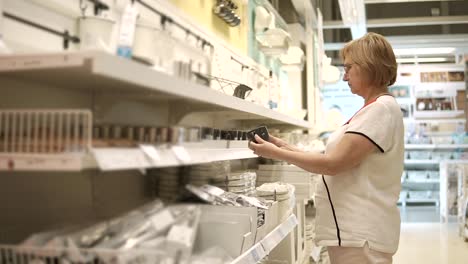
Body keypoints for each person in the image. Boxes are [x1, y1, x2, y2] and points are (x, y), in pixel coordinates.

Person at [249, 32, 404, 264]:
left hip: (361, 234)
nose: (345, 76)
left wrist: (275, 153)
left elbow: (333, 165)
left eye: (349, 68)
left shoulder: (380, 110)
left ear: (368, 66)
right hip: (356, 233)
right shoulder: (374, 109)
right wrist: (286, 148)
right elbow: (333, 159)